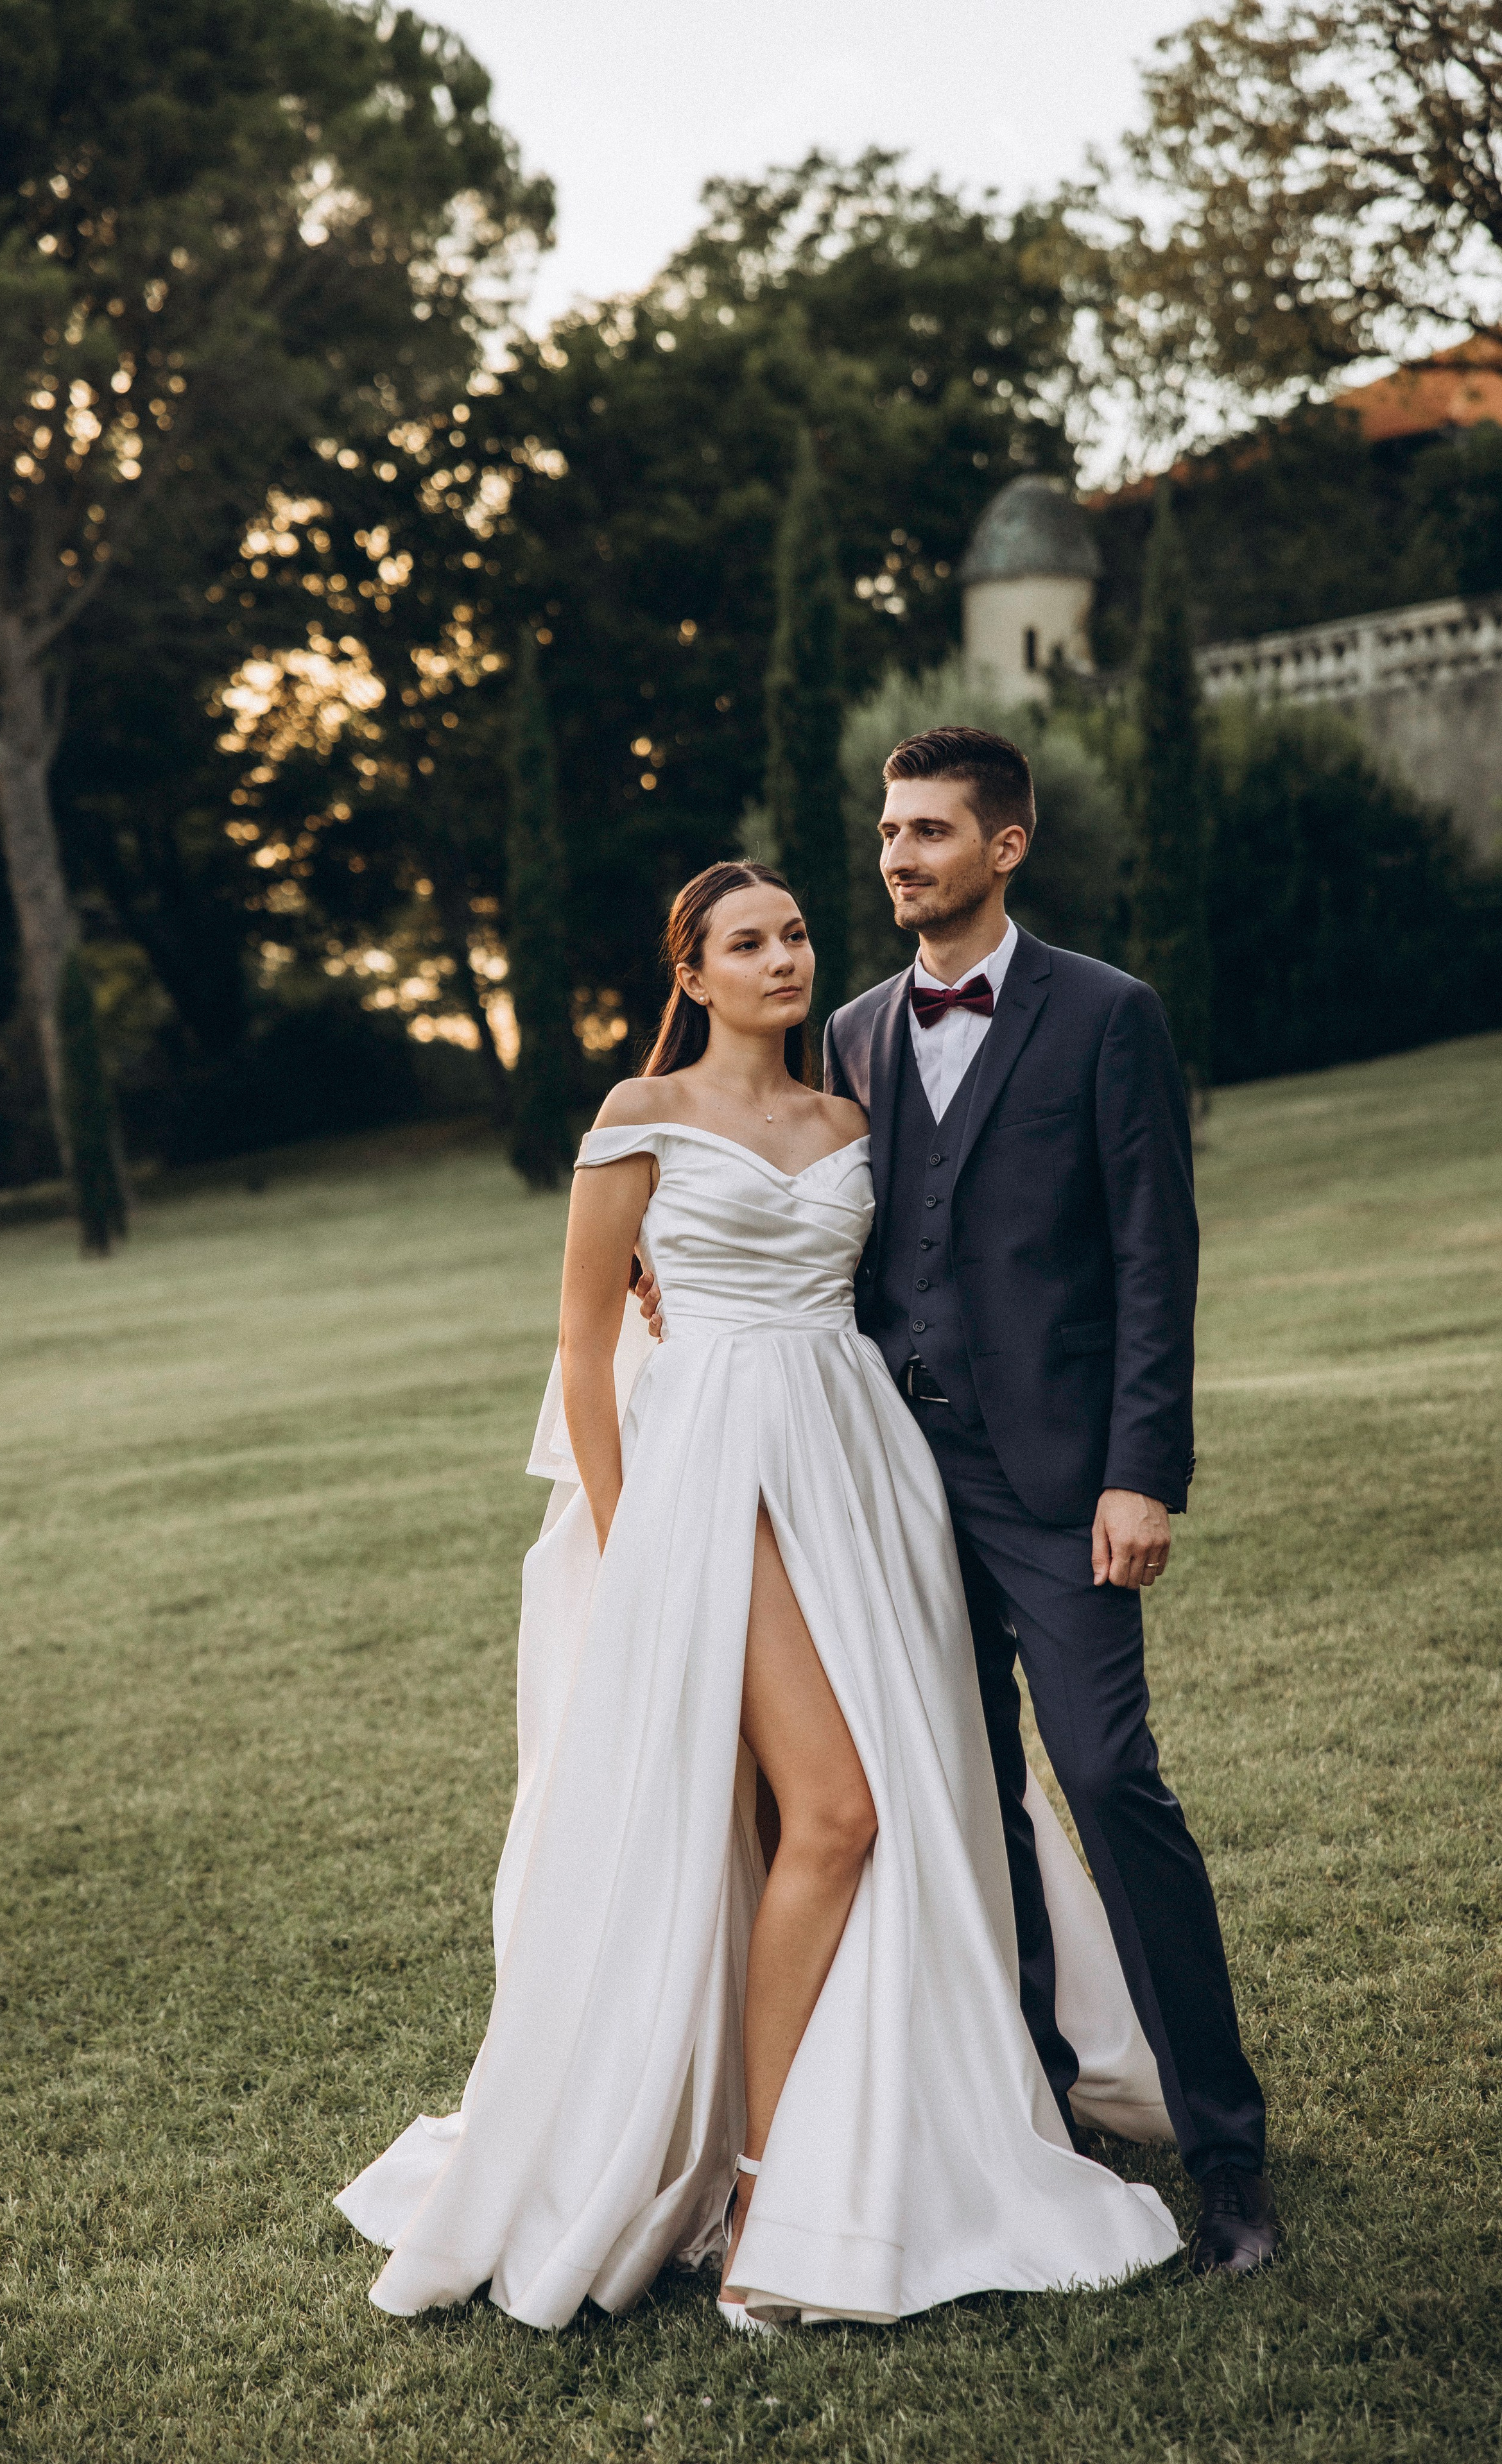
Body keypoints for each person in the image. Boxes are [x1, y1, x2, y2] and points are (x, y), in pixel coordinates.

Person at [334, 859, 1180, 2333]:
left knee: (873, 1813)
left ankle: (846, 2133)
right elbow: (585, 1350)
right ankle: (754, 2183)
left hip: (861, 1475)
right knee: (835, 1809)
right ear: (694, 972)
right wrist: (631, 1537)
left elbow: (913, 1279)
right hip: (704, 1485)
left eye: (794, 933)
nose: (782, 958)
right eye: (747, 941)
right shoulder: (634, 1120)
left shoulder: (851, 1114)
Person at [820, 724, 1275, 2276]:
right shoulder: (853, 1030)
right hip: (894, 1482)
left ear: (1004, 847)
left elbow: (1156, 1253)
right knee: (963, 1800)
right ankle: (1031, 2118)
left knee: (1104, 1780)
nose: (897, 857)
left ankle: (1230, 2159)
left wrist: (1140, 1469)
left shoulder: (1107, 1016)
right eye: (888, 832)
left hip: (1063, 1486)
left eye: (929, 833)